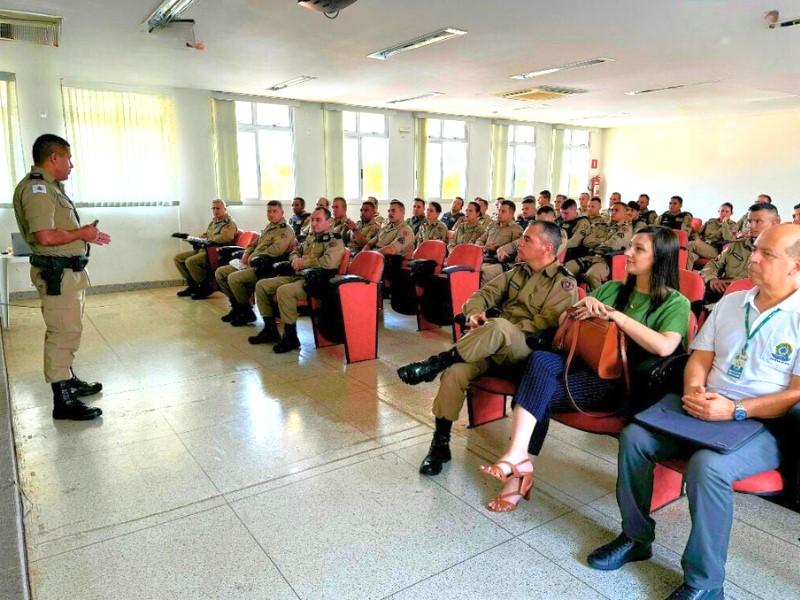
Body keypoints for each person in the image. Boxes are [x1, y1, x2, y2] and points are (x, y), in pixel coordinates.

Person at [588, 223, 800, 600]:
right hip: (703, 404)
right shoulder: (733, 303)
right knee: (635, 436)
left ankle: (705, 582)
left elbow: (795, 394)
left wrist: (734, 409)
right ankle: (635, 537)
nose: (752, 258)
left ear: (796, 266)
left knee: (708, 466)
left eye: (766, 254)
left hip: (763, 422)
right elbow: (699, 359)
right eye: (755, 249)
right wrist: (695, 391)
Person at [482, 226, 689, 512]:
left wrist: (616, 317)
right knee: (539, 361)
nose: (627, 253)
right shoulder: (614, 288)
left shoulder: (675, 302)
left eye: (638, 249)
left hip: (617, 383)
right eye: (629, 245)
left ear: (661, 258)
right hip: (580, 361)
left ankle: (517, 473)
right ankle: (518, 456)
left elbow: (665, 347)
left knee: (535, 390)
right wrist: (587, 302)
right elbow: (570, 318)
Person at [396, 221, 578, 475]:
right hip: (494, 341)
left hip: (527, 351)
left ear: (547, 247)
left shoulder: (564, 285)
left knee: (500, 327)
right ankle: (440, 444)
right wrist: (474, 314)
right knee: (455, 374)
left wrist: (497, 327)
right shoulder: (517, 272)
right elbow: (481, 295)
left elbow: (544, 325)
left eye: (527, 239)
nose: (520, 243)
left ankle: (435, 363)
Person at [12, 134, 112, 420]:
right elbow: (44, 236)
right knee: (62, 333)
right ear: (54, 157)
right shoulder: (38, 189)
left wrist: (85, 234)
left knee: (69, 329)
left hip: (68, 272)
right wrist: (82, 233)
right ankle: (63, 401)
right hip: (57, 274)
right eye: (68, 158)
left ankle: (67, 378)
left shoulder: (52, 189)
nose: (72, 165)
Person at [251, 207, 345, 352]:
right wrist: (295, 259)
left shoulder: (334, 241)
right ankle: (270, 329)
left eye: (318, 220)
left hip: (315, 282)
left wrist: (304, 262)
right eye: (312, 220)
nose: (313, 223)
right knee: (261, 285)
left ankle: (291, 337)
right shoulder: (311, 237)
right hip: (298, 275)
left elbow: (329, 263)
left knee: (284, 291)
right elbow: (295, 250)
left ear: (329, 222)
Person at [215, 201, 294, 326]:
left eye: (275, 211)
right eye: (269, 211)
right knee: (220, 273)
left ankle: (246, 312)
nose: (271, 214)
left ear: (282, 213)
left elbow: (276, 250)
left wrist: (252, 257)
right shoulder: (269, 227)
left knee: (233, 278)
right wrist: (246, 253)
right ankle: (237, 307)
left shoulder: (285, 230)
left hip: (265, 267)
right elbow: (254, 244)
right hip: (251, 262)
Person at [700, 203, 780, 303]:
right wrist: (711, 279)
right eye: (750, 221)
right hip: (722, 294)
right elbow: (712, 265)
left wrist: (735, 284)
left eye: (758, 221)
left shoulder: (782, 254)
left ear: (774, 223)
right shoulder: (736, 245)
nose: (751, 226)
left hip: (754, 300)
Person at [173, 199, 237, 299]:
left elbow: (225, 237)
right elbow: (207, 234)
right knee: (178, 258)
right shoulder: (214, 222)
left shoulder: (229, 223)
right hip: (205, 249)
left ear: (225, 209)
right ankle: (193, 286)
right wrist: (197, 238)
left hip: (216, 252)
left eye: (218, 208)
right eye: (213, 208)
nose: (215, 211)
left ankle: (205, 287)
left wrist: (207, 240)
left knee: (191, 262)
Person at [565, 202, 633, 291]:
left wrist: (599, 241)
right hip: (592, 257)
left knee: (591, 275)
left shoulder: (625, 229)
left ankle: (600, 300)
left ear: (625, 213)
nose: (613, 212)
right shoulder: (603, 225)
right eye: (612, 210)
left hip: (608, 261)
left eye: (616, 210)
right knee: (567, 268)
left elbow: (612, 245)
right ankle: (571, 295)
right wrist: (603, 241)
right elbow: (587, 241)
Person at [478, 200, 524, 284]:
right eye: (499, 210)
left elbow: (516, 250)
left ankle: (481, 296)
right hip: (484, 257)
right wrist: (483, 247)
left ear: (511, 214)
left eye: (503, 211)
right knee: (465, 268)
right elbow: (480, 240)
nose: (499, 213)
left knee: (482, 271)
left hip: (499, 262)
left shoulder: (516, 229)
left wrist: (496, 248)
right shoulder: (493, 225)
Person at [687, 202, 736, 269]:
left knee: (691, 244)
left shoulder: (733, 225)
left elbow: (728, 238)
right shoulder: (711, 221)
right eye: (722, 211)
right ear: (718, 212)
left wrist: (724, 223)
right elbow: (697, 233)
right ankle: (685, 276)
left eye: (727, 212)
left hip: (714, 250)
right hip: (701, 245)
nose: (724, 213)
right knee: (690, 256)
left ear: (731, 213)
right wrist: (698, 239)